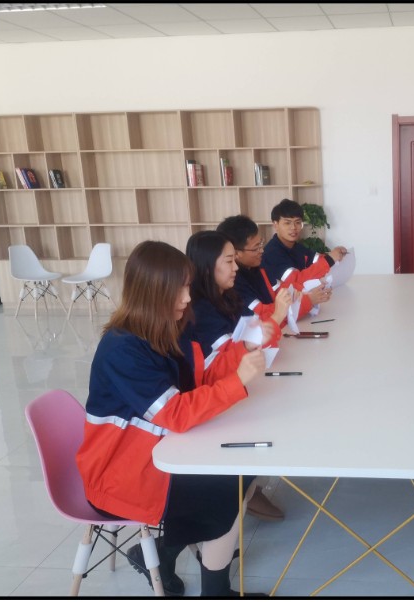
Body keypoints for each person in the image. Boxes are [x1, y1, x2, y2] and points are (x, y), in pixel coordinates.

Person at [76, 240, 278, 597]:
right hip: (122, 471)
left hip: (157, 450)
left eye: (187, 286)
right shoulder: (122, 348)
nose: (187, 298)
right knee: (225, 488)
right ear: (151, 293)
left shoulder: (167, 327)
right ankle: (212, 588)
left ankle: (171, 557)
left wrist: (242, 355)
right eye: (179, 290)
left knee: (240, 474)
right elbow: (175, 414)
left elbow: (200, 381)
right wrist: (237, 381)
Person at [185, 230, 289, 522]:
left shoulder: (228, 295)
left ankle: (251, 486)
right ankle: (244, 489)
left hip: (240, 387)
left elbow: (255, 333)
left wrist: (266, 329)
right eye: (229, 261)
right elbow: (218, 367)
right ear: (207, 266)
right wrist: (274, 320)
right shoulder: (199, 309)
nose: (235, 268)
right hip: (219, 398)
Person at [216, 215, 329, 325]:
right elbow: (259, 317)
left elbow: (281, 291)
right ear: (235, 253)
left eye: (261, 243)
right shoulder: (233, 281)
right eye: (256, 248)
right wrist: (308, 301)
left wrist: (306, 292)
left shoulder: (258, 268)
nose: (262, 250)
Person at [261, 199, 348, 296]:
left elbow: (317, 259)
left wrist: (337, 255)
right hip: (281, 303)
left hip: (300, 299)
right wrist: (330, 259)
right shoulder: (272, 253)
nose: (293, 227)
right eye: (287, 223)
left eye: (298, 222)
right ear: (275, 225)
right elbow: (296, 280)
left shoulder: (297, 247)